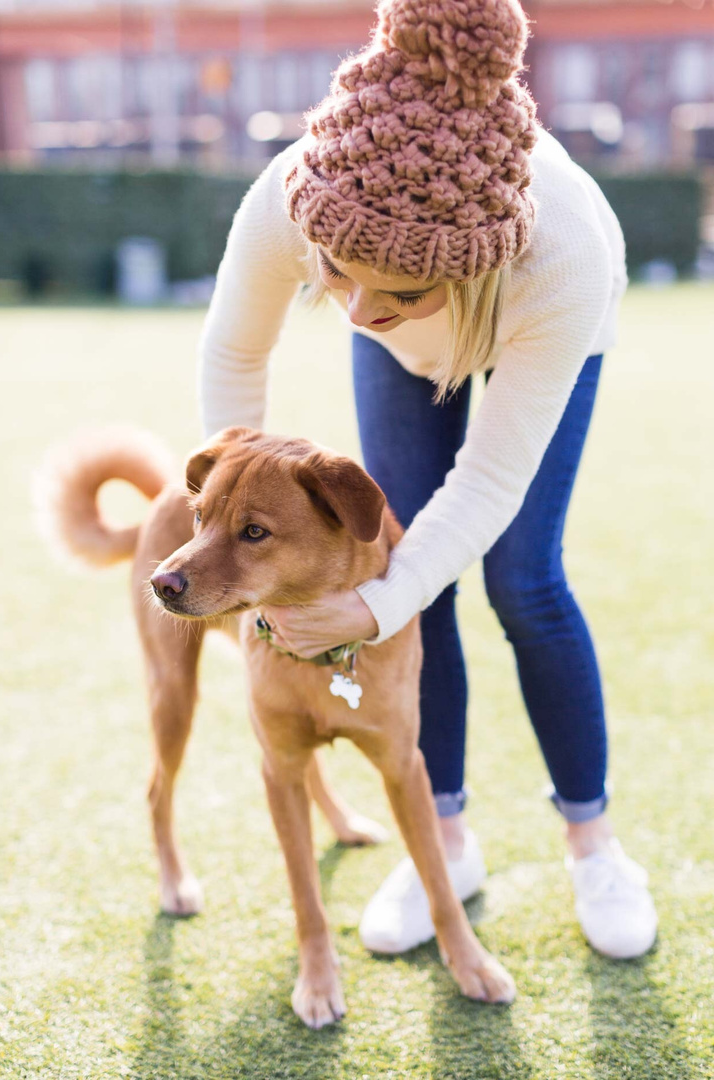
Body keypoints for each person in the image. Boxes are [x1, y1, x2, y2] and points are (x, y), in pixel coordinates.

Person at [199, 0, 657, 960]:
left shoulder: (563, 260)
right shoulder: (296, 190)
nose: (359, 312)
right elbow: (236, 357)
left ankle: (592, 843)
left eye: (398, 290)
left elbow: (488, 485)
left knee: (521, 578)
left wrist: (371, 608)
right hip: (419, 362)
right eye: (337, 273)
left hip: (532, 336)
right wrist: (227, 539)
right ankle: (441, 839)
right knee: (406, 581)